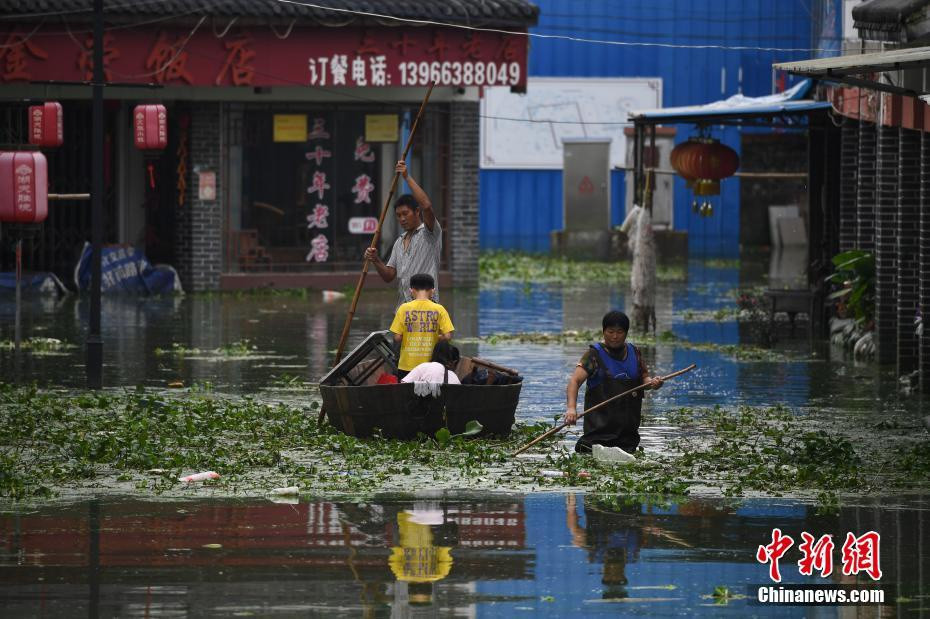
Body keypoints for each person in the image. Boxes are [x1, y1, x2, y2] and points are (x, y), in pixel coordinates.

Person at [563, 310, 663, 454]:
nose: (615, 337)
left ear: (626, 333)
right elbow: (575, 381)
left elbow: (644, 380)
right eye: (610, 332)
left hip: (627, 438)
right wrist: (571, 408)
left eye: (619, 332)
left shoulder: (635, 353)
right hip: (597, 437)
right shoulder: (594, 355)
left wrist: (653, 384)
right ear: (603, 332)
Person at [364, 160, 441, 307]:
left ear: (417, 212)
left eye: (405, 214)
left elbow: (426, 205)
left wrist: (406, 176)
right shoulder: (399, 242)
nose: (402, 219)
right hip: (404, 309)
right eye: (398, 216)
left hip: (428, 308)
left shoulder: (430, 233)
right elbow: (389, 276)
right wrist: (375, 259)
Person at [389, 273, 454, 380]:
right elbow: (447, 336)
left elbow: (397, 337)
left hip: (407, 365)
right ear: (432, 290)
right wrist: (435, 336)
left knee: (406, 393)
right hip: (430, 366)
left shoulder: (404, 308)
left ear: (411, 290)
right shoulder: (439, 309)